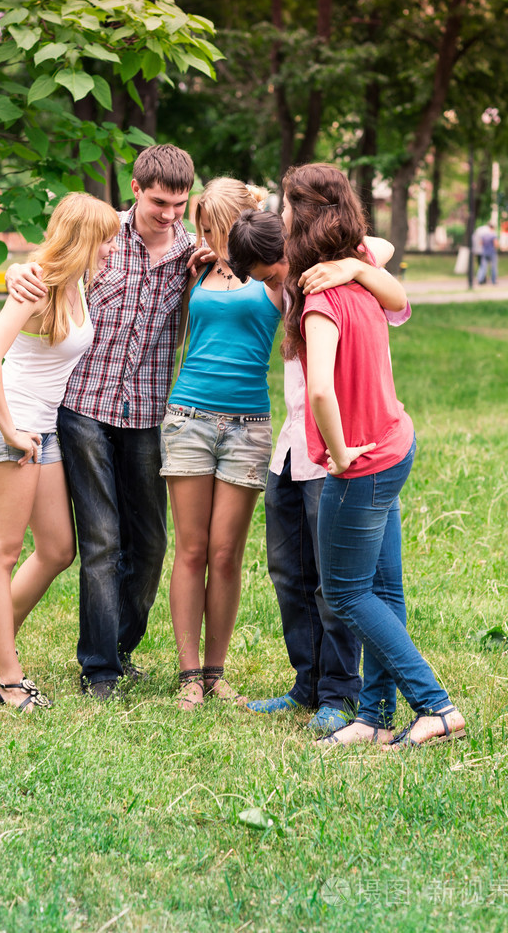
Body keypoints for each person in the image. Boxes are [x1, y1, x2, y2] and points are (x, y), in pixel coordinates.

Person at [4, 145, 209, 700]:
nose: (170, 214)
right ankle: (99, 669)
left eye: (180, 205)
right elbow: (44, 264)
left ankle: (118, 645)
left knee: (149, 544)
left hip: (146, 414)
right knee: (100, 538)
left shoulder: (195, 255)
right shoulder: (103, 237)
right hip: (84, 408)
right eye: (160, 202)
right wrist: (18, 273)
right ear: (137, 189)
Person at [281, 163, 466, 749]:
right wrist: (359, 264)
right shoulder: (359, 279)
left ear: (301, 215)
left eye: (285, 206)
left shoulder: (321, 298)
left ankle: (435, 706)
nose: (280, 214)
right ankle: (375, 716)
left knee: (346, 592)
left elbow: (318, 391)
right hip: (393, 446)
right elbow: (391, 285)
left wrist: (336, 454)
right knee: (383, 591)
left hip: (362, 462)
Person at [228, 211, 410, 735]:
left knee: (336, 585)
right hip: (290, 444)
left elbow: (383, 244)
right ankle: (306, 685)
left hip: (333, 450)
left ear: (291, 249)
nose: (273, 284)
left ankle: (339, 692)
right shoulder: (289, 279)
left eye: (272, 272)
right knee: (289, 573)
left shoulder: (324, 275)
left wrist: (348, 268)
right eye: (264, 279)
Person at [0, 193, 120, 712]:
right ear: (84, 240)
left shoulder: (78, 282)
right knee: (1, 553)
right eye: (105, 240)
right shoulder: (36, 286)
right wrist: (11, 431)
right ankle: (9, 679)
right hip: (10, 431)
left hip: (44, 432)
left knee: (57, 548)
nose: (112, 249)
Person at [161, 179, 282, 710]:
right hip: (188, 416)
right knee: (190, 550)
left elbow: (376, 250)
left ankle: (216, 671)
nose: (203, 238)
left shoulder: (278, 270)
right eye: (202, 228)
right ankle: (189, 674)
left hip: (247, 424)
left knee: (225, 553)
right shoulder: (196, 267)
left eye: (212, 229)